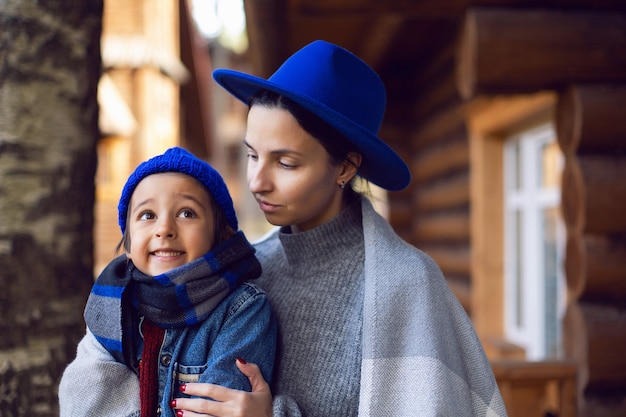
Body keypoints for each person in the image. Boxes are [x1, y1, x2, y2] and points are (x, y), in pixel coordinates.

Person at [172, 40, 507, 416]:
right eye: (252, 155)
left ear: (346, 168)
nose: (257, 182)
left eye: (286, 163)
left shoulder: (406, 284)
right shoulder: (248, 270)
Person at [58, 147, 276, 417]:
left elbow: (219, 408)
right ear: (128, 243)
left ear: (222, 235)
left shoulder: (242, 309)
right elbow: (82, 400)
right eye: (147, 215)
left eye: (186, 213)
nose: (164, 229)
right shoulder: (113, 302)